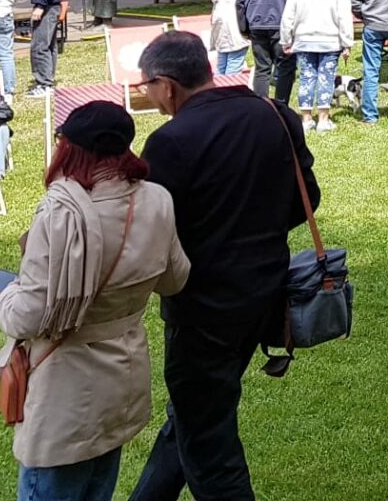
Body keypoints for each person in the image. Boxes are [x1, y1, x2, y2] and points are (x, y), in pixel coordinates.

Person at [128, 30, 318, 501]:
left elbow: (154, 235)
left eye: (147, 85)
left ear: (167, 85)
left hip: (203, 309)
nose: (146, 95)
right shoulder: (275, 113)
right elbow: (307, 200)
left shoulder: (169, 142)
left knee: (208, 443)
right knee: (195, 413)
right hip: (267, 295)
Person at [0, 101, 189, 501]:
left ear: (70, 148)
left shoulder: (60, 213)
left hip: (66, 386)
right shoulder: (157, 199)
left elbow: (27, 316)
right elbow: (175, 280)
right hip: (123, 373)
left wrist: (8, 292)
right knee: (99, 486)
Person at [278, 0, 355, 133]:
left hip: (304, 40)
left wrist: (286, 39)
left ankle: (306, 118)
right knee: (326, 79)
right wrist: (347, 42)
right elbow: (344, 17)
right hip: (329, 42)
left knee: (306, 78)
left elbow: (288, 15)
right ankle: (323, 118)